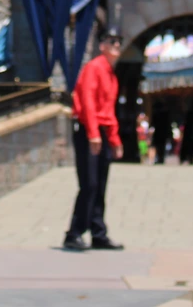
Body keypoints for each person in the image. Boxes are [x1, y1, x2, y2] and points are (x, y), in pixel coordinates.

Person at [63, 26, 124, 252]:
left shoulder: (110, 74)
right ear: (102, 45)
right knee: (89, 184)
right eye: (111, 41)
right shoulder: (94, 68)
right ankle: (73, 233)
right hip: (89, 131)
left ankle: (98, 233)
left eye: (119, 41)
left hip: (102, 132)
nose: (116, 45)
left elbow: (109, 110)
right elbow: (87, 101)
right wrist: (93, 133)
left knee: (100, 184)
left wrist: (114, 139)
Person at [151, 101, 172, 165]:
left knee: (159, 146)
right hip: (162, 133)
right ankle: (160, 158)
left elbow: (153, 123)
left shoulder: (158, 114)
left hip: (159, 133)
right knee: (161, 146)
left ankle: (160, 158)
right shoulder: (165, 114)